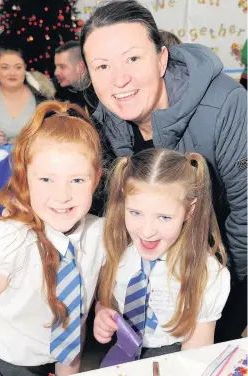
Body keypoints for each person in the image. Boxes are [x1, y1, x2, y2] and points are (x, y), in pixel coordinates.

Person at [80, 0, 247, 340]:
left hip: (220, 279)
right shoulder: (106, 123)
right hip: (147, 290)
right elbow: (106, 215)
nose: (119, 79)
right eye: (102, 66)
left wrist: (232, 297)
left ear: (161, 58)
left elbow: (246, 215)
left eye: (133, 58)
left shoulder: (226, 106)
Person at [0, 100, 105, 375]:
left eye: (77, 180)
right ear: (26, 177)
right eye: (46, 180)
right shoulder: (10, 240)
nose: (62, 195)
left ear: (97, 178)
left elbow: (77, 320)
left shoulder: (98, 236)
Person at [95, 148, 230, 359]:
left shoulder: (207, 273)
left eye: (164, 217)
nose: (147, 231)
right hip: (120, 354)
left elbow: (196, 355)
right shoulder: (115, 247)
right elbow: (107, 298)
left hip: (173, 359)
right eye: (136, 213)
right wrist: (101, 313)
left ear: (190, 210)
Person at [0, 32, 55, 148]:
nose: (12, 73)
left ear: (25, 66)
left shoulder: (42, 98)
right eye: (5, 67)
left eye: (18, 67)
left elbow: (57, 135)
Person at [53, 41, 98, 114]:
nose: (56, 72)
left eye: (62, 67)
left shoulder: (101, 95)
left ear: (80, 67)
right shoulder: (56, 93)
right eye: (56, 66)